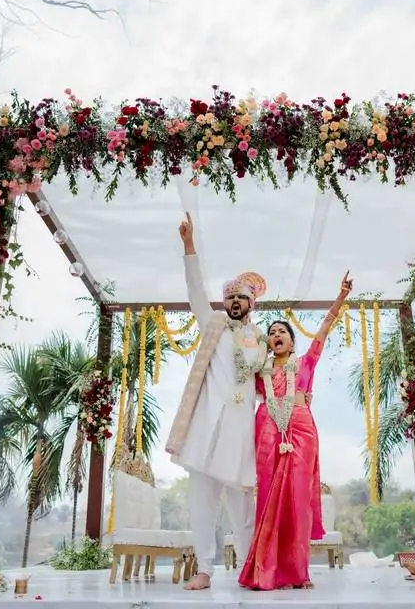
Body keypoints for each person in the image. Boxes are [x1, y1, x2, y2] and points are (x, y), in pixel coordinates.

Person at [164, 212, 270, 591]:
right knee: (202, 504)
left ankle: (246, 568)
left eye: (241, 297)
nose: (234, 302)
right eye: (229, 297)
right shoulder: (212, 325)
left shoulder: (260, 340)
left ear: (251, 304)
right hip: (205, 429)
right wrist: (189, 245)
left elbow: (277, 376)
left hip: (241, 432)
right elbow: (195, 290)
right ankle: (205, 569)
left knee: (242, 507)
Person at [238, 271, 353, 591]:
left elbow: (325, 330)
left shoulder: (305, 363)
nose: (276, 334)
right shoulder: (259, 371)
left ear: (291, 341)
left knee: (297, 501)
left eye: (282, 332)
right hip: (267, 430)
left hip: (301, 430)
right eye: (272, 332)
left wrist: (341, 297)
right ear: (269, 343)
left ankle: (296, 572)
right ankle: (269, 571)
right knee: (269, 499)